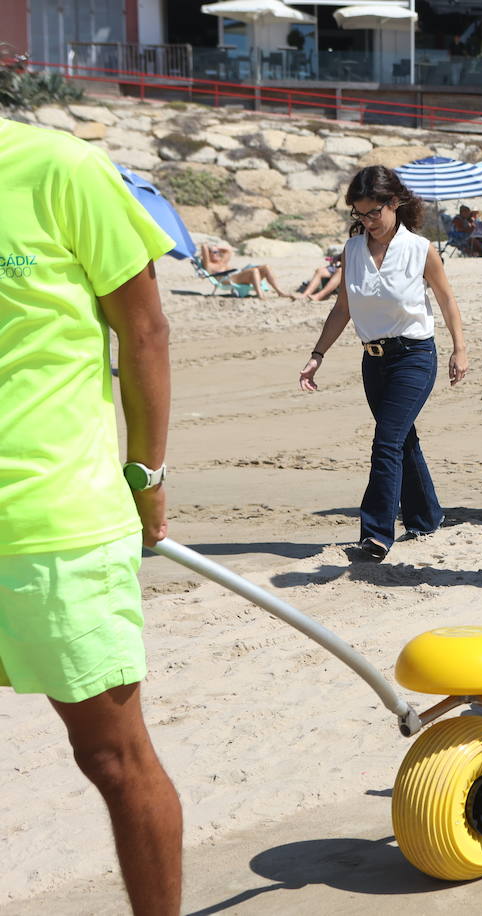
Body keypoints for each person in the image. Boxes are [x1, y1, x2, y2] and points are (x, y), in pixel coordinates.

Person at [1, 118, 181, 913]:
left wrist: (146, 477)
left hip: (54, 520)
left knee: (111, 757)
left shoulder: (62, 168)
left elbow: (143, 330)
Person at [299, 166, 469, 561]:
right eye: (359, 214)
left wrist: (460, 350)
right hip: (373, 362)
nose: (367, 222)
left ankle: (375, 533)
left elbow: (446, 301)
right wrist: (317, 354)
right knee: (402, 439)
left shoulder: (420, 249)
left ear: (394, 203)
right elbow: (342, 308)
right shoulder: (353, 250)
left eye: (374, 212)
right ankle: (427, 517)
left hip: (414, 356)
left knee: (386, 442)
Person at [198, 241, 292, 298]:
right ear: (208, 254)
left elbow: (228, 250)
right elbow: (204, 247)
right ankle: (260, 295)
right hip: (229, 279)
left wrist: (217, 248)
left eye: (218, 252)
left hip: (239, 275)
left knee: (266, 267)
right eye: (214, 252)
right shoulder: (209, 265)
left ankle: (280, 292)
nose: (218, 253)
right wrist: (210, 248)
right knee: (254, 271)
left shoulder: (222, 262)